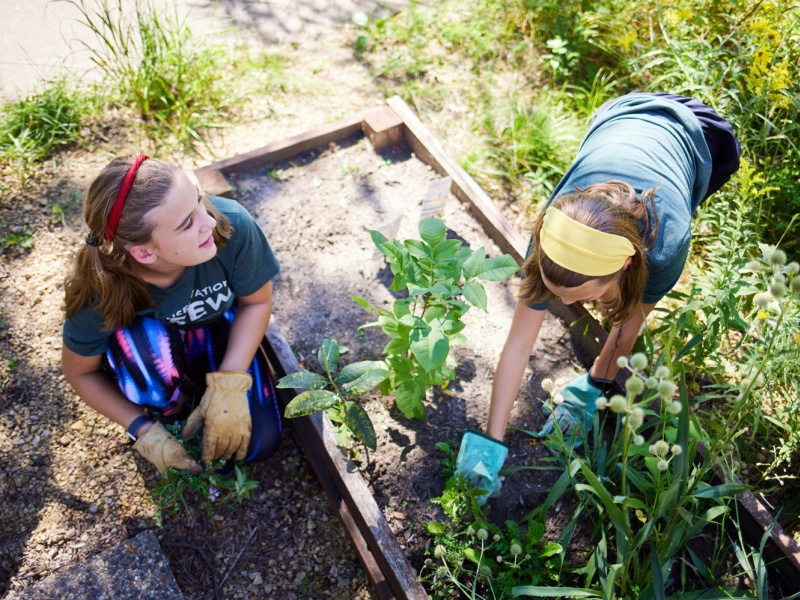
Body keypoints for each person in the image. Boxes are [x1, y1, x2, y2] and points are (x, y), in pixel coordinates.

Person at [455, 93, 741, 501]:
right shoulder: (555, 231)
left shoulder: (665, 244)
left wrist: (593, 386)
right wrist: (491, 441)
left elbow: (630, 322)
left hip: (696, 139)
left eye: (581, 295)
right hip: (619, 118)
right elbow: (518, 346)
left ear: (623, 267)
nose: (564, 302)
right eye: (555, 293)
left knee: (627, 307)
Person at [61, 155, 282, 475]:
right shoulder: (103, 288)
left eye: (198, 201)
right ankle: (171, 410)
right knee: (147, 380)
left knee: (259, 445)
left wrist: (230, 384)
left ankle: (207, 392)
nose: (207, 220)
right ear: (145, 253)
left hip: (218, 325)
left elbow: (256, 303)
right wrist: (142, 429)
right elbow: (80, 372)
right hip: (153, 345)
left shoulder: (230, 223)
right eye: (187, 223)